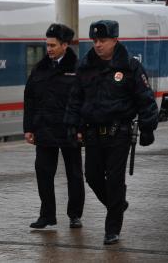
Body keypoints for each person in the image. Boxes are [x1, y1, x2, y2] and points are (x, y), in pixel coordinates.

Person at [64, 20, 159, 245]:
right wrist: (71, 126)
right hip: (93, 132)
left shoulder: (130, 67)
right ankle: (117, 205)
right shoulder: (85, 66)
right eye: (95, 41)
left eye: (103, 40)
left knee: (115, 180)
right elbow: (75, 99)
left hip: (120, 133)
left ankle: (112, 229)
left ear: (115, 40)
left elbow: (145, 99)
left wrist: (147, 128)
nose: (98, 45)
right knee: (93, 177)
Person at [24, 23, 85, 230]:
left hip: (69, 131)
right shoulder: (39, 69)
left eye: (53, 45)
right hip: (44, 130)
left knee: (74, 174)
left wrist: (81, 129)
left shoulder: (78, 69)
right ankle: (47, 215)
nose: (48, 48)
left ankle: (75, 214)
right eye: (47, 44)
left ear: (65, 45)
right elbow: (30, 100)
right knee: (43, 173)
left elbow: (84, 101)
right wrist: (29, 128)